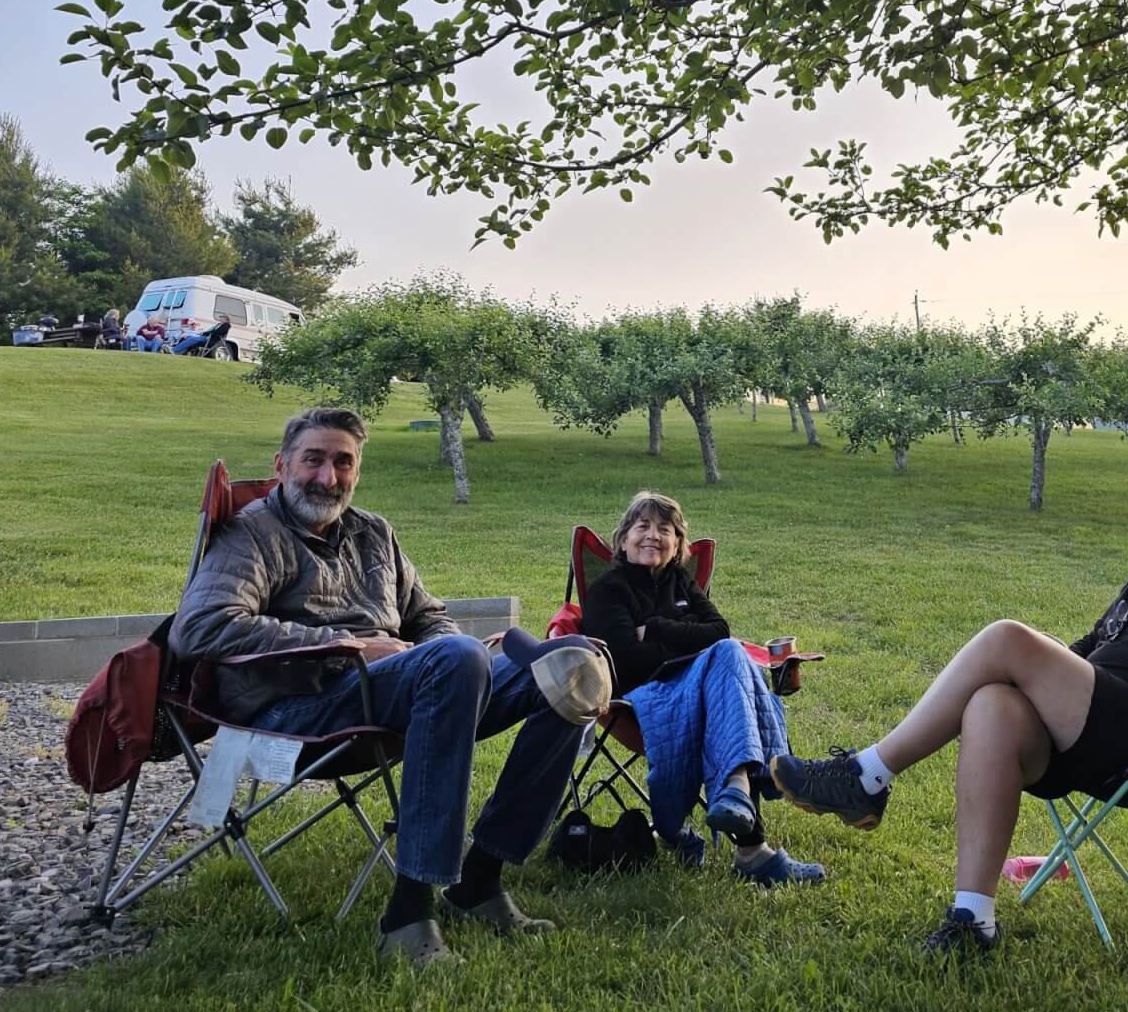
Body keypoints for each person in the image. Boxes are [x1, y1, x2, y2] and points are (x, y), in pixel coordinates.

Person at [168, 406, 614, 966]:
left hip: (400, 692)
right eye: (313, 460)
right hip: (296, 709)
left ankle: (480, 878)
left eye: (343, 463)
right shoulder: (251, 533)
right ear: (282, 465)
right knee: (455, 657)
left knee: (571, 668)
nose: (327, 477)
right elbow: (201, 626)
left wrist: (454, 661)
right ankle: (407, 914)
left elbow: (428, 618)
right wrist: (347, 645)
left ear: (357, 471)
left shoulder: (374, 532)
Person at [772, 485, 1128, 954]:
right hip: (1088, 736)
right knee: (990, 703)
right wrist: (1045, 665)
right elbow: (1091, 647)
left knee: (1006, 637)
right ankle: (974, 919)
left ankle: (865, 776)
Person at [579, 491, 824, 888]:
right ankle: (750, 842)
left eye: (665, 529)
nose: (653, 535)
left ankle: (737, 794)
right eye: (642, 527)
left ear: (678, 544)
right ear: (623, 540)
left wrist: (653, 628)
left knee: (728, 657)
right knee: (729, 663)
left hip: (704, 685)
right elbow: (626, 658)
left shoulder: (681, 582)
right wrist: (688, 641)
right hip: (641, 698)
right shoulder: (609, 590)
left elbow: (719, 630)